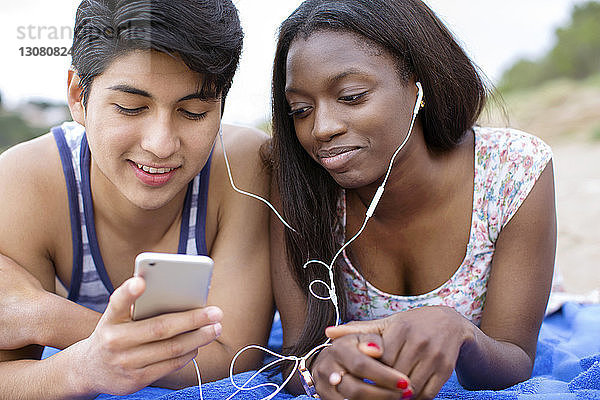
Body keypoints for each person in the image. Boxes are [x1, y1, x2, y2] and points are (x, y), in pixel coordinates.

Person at [269, 0, 557, 399]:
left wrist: (460, 332)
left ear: (418, 86)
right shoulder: (300, 188)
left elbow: (515, 359)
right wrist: (323, 368)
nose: (322, 128)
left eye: (351, 96)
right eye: (300, 109)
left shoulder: (513, 172)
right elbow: (297, 353)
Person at [0, 0, 273, 398]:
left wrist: (46, 317)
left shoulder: (244, 166)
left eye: (194, 111)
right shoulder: (26, 181)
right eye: (131, 108)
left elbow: (233, 358)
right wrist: (83, 367)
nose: (161, 145)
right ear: (79, 96)